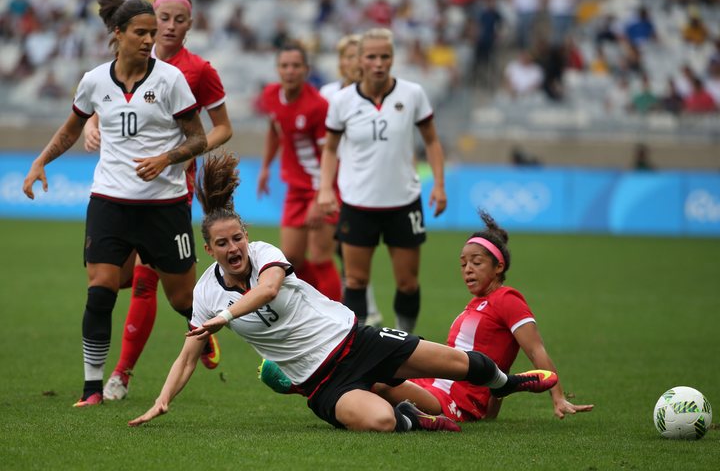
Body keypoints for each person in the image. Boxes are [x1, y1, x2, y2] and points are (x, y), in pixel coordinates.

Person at [128, 154, 558, 432]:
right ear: (208, 250)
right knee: (381, 423)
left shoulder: (263, 254)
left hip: (356, 341)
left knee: (461, 365)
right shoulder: (205, 294)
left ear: (246, 236)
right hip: (320, 383)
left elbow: (270, 288)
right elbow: (187, 355)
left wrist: (226, 317)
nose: (233, 248)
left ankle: (504, 384)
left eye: (236, 238)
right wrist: (162, 401)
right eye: (222, 244)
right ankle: (413, 419)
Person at [22, 0, 207, 407]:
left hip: (165, 206)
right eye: (140, 33)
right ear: (117, 33)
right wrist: (40, 161)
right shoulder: (94, 81)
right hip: (110, 202)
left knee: (184, 301)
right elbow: (72, 128)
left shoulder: (170, 81)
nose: (149, 40)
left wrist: (166, 158)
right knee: (101, 290)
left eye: (153, 33)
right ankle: (92, 389)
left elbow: (198, 138)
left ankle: (206, 333)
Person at [260, 211, 593, 423]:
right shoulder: (473, 306)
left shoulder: (507, 299)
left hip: (455, 402)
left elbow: (536, 351)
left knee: (372, 381)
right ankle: (302, 382)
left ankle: (297, 385)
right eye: (463, 262)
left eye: (477, 261)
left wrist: (558, 396)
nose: (468, 269)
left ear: (499, 266)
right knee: (370, 375)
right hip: (432, 387)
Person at [83, 0, 233, 402]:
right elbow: (107, 103)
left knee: (147, 284)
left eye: (178, 19)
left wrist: (176, 157)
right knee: (119, 279)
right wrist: (90, 126)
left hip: (169, 192)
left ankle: (120, 375)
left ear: (190, 24)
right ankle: (196, 320)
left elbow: (220, 128)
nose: (169, 26)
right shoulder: (126, 59)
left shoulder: (197, 70)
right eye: (162, 17)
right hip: (121, 190)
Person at [317, 28, 447, 333]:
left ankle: (406, 341)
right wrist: (325, 188)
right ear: (360, 59)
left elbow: (431, 141)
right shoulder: (342, 101)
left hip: (403, 203)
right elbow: (331, 148)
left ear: (392, 58)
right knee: (357, 281)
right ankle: (359, 348)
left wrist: (439, 184)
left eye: (384, 56)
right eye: (371, 56)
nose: (378, 63)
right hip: (357, 204)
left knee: (408, 282)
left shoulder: (412, 94)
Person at [256, 42, 342, 303]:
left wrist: (320, 197)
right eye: (284, 65)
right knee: (291, 258)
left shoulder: (318, 106)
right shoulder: (270, 95)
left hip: (323, 187)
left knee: (320, 257)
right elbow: (275, 129)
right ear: (277, 69)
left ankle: (341, 319)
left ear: (306, 70)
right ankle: (315, 306)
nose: (290, 71)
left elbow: (330, 153)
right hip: (295, 188)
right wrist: (265, 167)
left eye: (296, 66)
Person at [319, 33, 383, 327]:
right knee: (335, 246)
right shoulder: (328, 94)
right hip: (333, 175)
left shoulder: (373, 95)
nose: (352, 62)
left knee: (351, 245)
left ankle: (364, 309)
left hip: (359, 176)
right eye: (346, 56)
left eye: (357, 56)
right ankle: (353, 306)